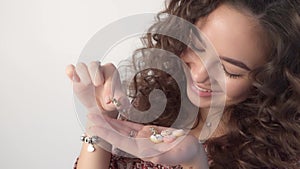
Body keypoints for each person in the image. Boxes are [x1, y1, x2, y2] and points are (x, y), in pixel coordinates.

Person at [66, 0, 300, 168]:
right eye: (196, 48)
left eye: (229, 71)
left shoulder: (283, 158)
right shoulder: (154, 101)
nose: (198, 75)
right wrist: (100, 116)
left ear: (272, 77)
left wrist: (194, 161)